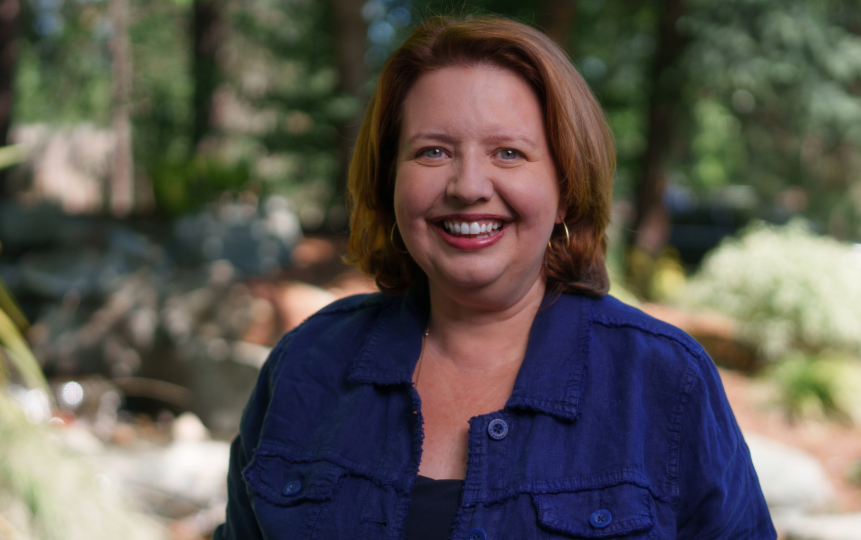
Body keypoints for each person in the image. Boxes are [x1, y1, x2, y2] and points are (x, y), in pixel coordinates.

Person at [214, 15, 775, 540]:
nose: (468, 185)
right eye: (433, 151)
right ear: (391, 179)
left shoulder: (665, 382)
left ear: (565, 189)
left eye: (508, 153)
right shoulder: (306, 363)